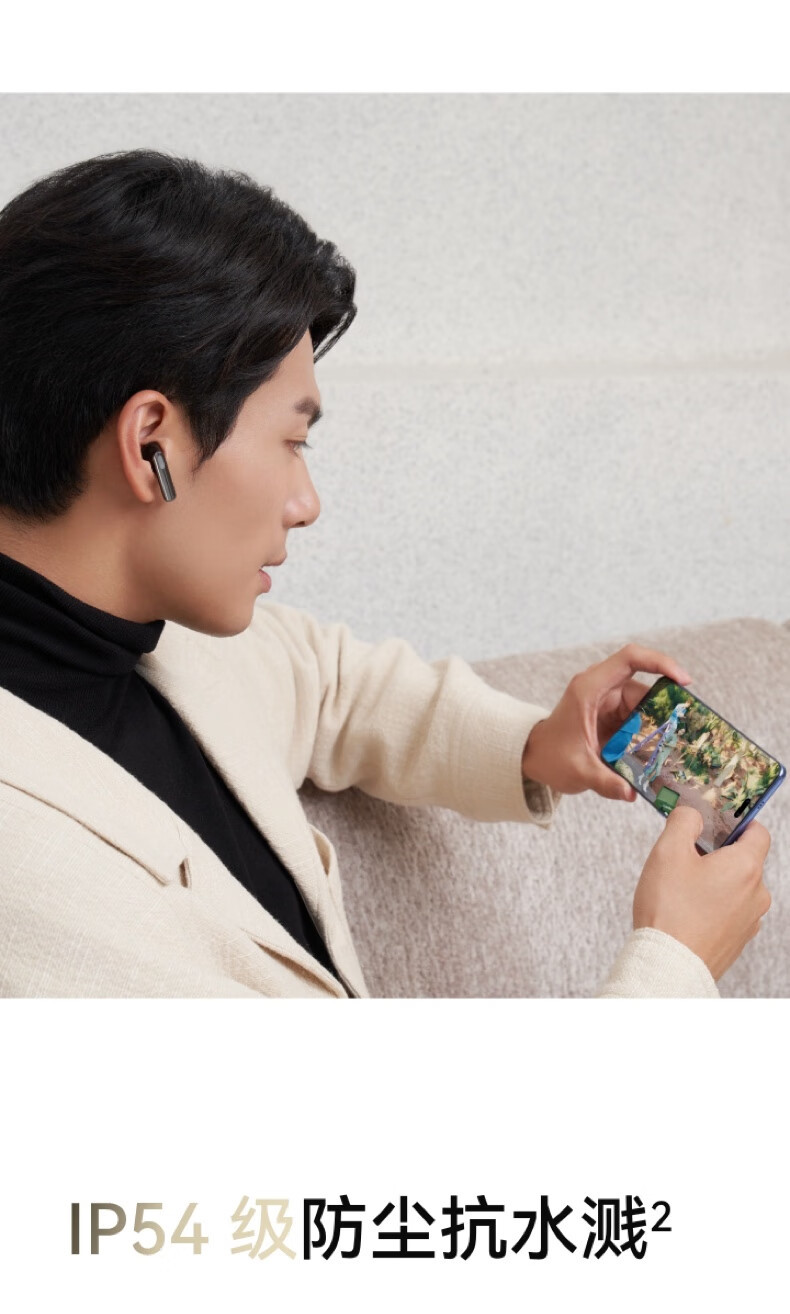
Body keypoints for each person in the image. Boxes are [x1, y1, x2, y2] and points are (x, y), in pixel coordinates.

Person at [0, 149, 772, 999]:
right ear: (152, 442)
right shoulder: (29, 873)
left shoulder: (167, 639)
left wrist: (536, 745)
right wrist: (675, 961)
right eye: (292, 441)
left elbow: (335, 684)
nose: (307, 502)